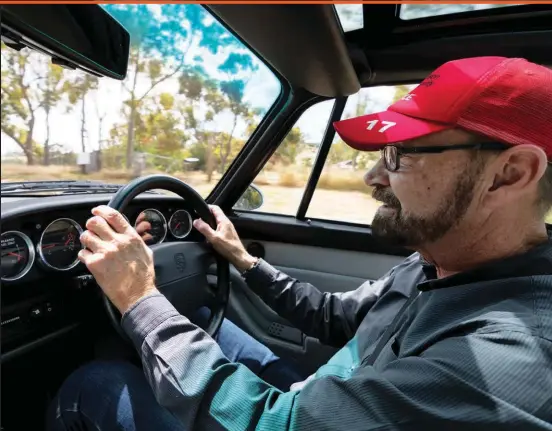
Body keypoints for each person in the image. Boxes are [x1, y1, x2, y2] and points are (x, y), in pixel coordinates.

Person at [48, 56, 552, 430]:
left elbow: (276, 425)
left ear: (509, 174)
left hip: (295, 414)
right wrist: (244, 260)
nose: (374, 176)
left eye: (400, 155)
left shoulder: (510, 358)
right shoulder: (435, 262)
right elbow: (335, 317)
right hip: (322, 396)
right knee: (199, 321)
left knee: (96, 382)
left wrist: (139, 298)